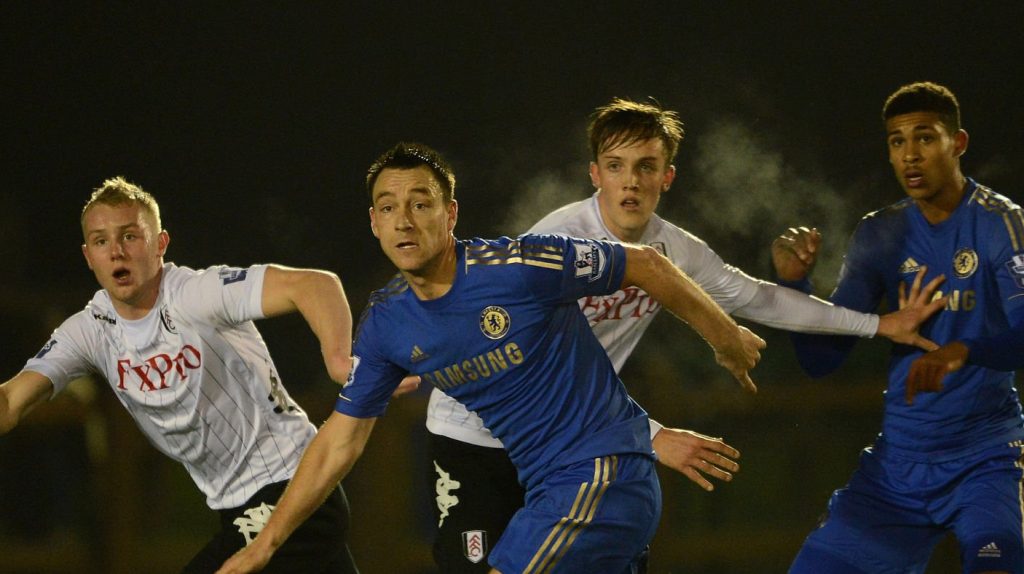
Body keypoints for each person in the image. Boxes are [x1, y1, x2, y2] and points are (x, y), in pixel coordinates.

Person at [425, 97, 949, 572]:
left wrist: (879, 323)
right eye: (616, 167)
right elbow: (537, 371)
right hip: (476, 434)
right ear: (595, 175)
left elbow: (754, 296)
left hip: (564, 442)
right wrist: (651, 437)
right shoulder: (558, 244)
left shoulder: (670, 249)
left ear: (667, 176)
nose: (630, 181)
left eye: (645, 167)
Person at [216, 142, 767, 574]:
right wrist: (268, 544)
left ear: (450, 213)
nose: (404, 220)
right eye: (389, 207)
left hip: (603, 475)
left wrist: (727, 338)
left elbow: (645, 263)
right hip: (549, 491)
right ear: (374, 223)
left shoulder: (518, 266)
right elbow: (340, 439)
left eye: (420, 204)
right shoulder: (387, 322)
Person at [0, 177, 360, 573]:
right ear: (89, 256)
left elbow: (315, 284)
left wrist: (339, 360)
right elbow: (10, 401)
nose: (117, 251)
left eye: (130, 236)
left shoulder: (195, 294)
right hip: (237, 508)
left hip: (294, 491)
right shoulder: (90, 330)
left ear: (160, 244)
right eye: (101, 241)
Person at [775, 82, 1024, 574]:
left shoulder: (1001, 224)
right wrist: (796, 287)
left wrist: (959, 351)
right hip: (896, 472)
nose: (910, 154)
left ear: (958, 143)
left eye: (925, 138)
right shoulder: (879, 234)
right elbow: (821, 361)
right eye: (896, 141)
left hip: (985, 461)